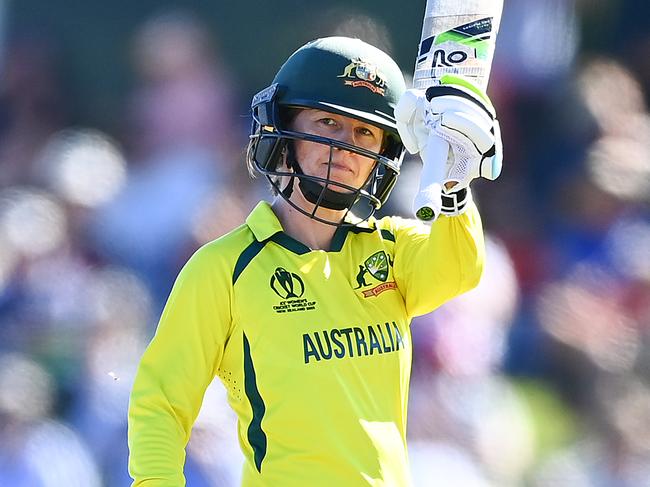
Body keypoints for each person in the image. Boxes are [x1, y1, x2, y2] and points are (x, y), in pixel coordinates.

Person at [128, 36, 501, 486]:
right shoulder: (223, 269)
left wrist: (454, 180)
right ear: (283, 131)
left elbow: (460, 269)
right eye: (328, 123)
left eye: (364, 131)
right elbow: (162, 402)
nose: (345, 147)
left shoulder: (391, 250)